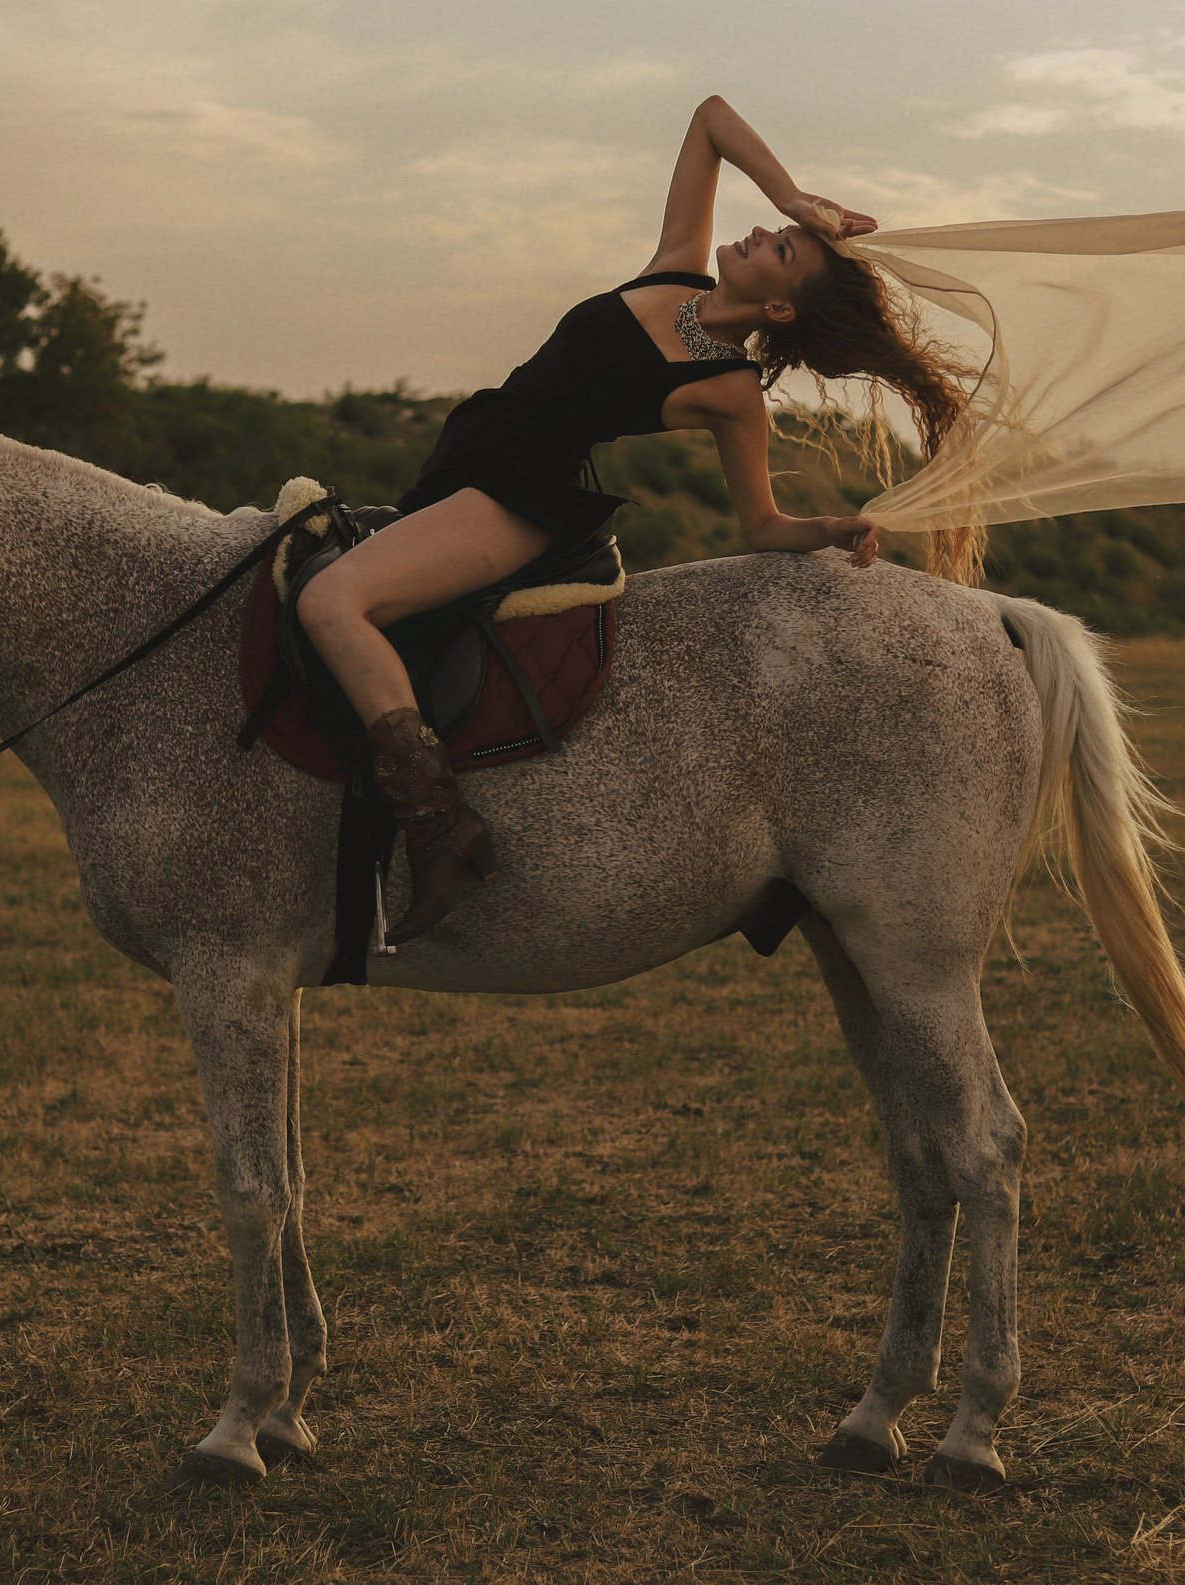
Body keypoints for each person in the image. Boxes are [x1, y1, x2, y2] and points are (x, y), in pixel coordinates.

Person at [299, 95, 978, 947]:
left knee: (330, 604)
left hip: (519, 500)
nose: (761, 233)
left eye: (780, 247)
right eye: (774, 229)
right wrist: (798, 199)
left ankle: (437, 826)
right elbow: (709, 119)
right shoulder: (675, 270)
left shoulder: (731, 392)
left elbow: (760, 525)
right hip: (466, 460)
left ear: (779, 311)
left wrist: (827, 527)